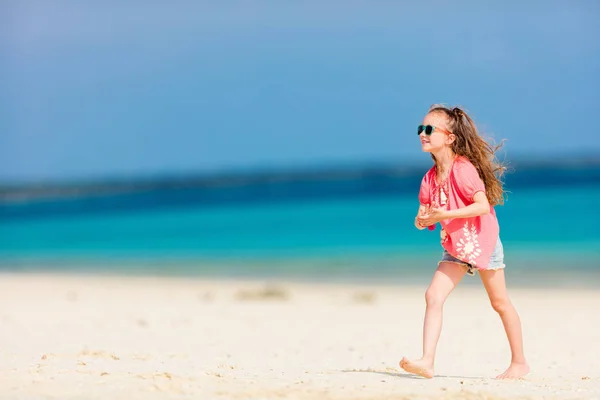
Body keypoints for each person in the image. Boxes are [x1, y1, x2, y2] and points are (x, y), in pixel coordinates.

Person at [399, 104, 529, 380]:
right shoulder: (430, 179)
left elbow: (482, 206)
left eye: (429, 129)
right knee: (433, 295)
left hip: (483, 242)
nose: (423, 134)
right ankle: (428, 361)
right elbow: (426, 216)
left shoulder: (463, 169)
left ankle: (519, 362)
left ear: (449, 137)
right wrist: (422, 220)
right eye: (420, 129)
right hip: (456, 247)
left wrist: (445, 213)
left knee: (500, 303)